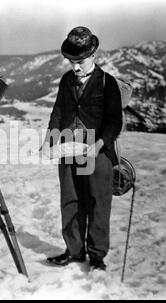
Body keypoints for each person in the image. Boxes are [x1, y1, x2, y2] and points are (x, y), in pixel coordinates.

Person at [40, 26, 123, 271]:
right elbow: (58, 113)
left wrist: (97, 145)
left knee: (98, 202)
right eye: (71, 61)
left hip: (97, 151)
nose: (75, 67)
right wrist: (49, 141)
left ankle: (97, 255)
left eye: (81, 61)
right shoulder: (67, 81)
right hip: (68, 148)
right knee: (70, 201)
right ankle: (74, 251)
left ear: (94, 56)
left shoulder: (108, 82)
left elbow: (113, 121)